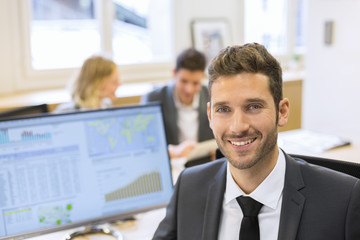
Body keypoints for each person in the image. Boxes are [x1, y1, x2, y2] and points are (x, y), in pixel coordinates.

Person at [152, 43, 360, 239]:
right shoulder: (189, 186)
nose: (238, 126)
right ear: (210, 116)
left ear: (282, 111)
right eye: (223, 109)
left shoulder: (343, 201)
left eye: (253, 107)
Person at [141, 48, 213, 158]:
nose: (189, 89)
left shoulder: (211, 95)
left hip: (203, 163)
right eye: (184, 81)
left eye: (195, 83)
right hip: (172, 163)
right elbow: (146, 143)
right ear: (174, 73)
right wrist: (172, 151)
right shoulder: (153, 98)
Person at [54, 55, 121, 113]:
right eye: (114, 82)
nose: (119, 84)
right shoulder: (65, 112)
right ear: (97, 85)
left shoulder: (107, 106)